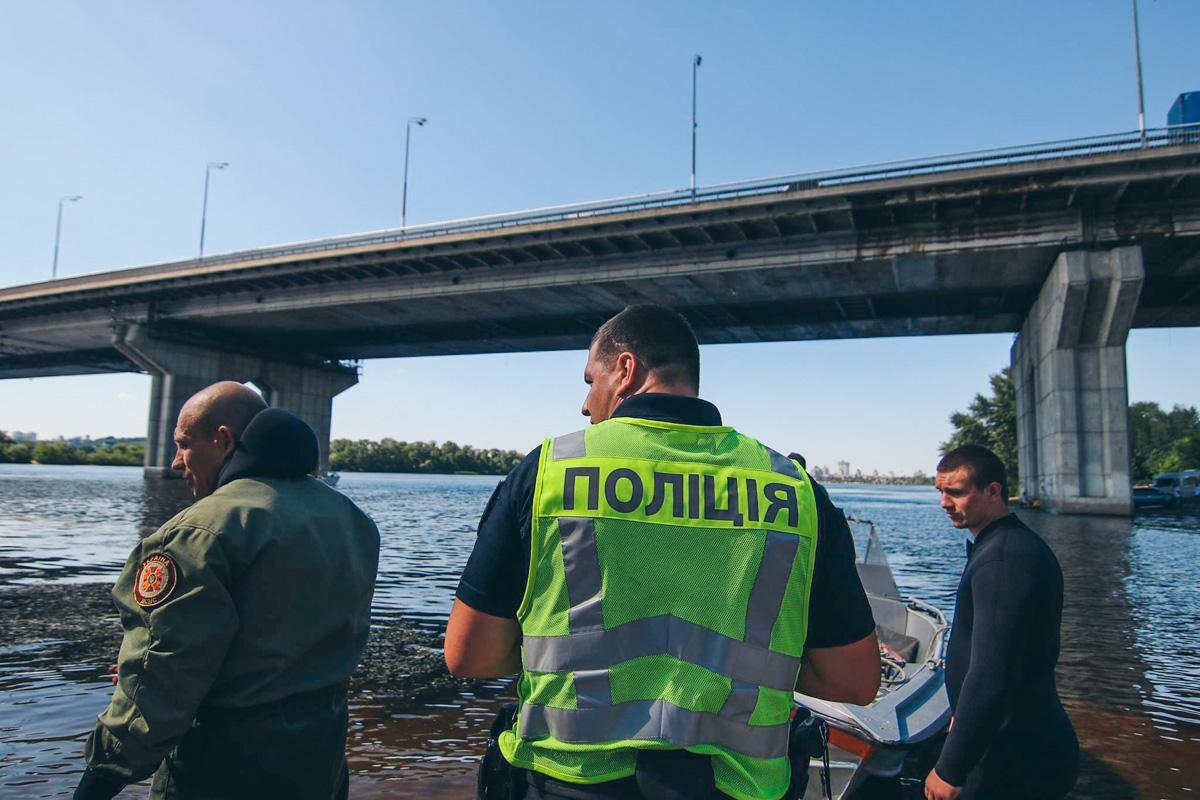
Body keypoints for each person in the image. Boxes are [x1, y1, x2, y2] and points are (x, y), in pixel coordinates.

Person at [445, 305, 880, 800]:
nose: (586, 405)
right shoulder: (793, 490)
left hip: (566, 783)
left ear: (626, 370)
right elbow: (854, 681)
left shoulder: (549, 472)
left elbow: (469, 655)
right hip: (737, 789)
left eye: (590, 380)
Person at [74, 382, 380, 800]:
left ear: (223, 440)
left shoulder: (197, 532)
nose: (176, 461)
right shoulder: (348, 518)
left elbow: (161, 680)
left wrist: (99, 778)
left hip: (223, 769)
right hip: (321, 761)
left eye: (183, 444)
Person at [925, 444, 1078, 800]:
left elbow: (991, 674)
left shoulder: (1003, 562)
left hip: (1013, 757)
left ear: (993, 492)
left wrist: (950, 768)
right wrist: (963, 715)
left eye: (956, 492)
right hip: (1016, 740)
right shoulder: (1010, 546)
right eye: (941, 491)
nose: (944, 502)